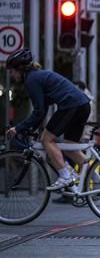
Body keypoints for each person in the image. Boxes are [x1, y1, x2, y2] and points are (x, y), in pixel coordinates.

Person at [5, 49, 91, 191]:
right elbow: (42, 110)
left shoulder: (31, 80)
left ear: (20, 68)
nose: (12, 75)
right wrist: (31, 128)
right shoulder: (37, 76)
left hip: (71, 105)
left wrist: (18, 128)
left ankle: (65, 176)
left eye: (12, 71)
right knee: (70, 146)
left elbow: (39, 112)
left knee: (46, 140)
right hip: (82, 105)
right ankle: (99, 179)